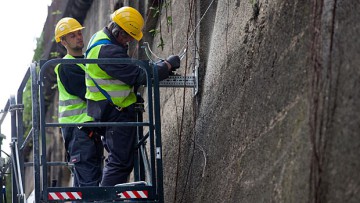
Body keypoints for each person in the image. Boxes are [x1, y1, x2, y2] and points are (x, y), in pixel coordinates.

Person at [85, 6, 181, 186]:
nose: (128, 41)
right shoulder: (108, 51)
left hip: (107, 110)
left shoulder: (99, 39)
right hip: (115, 111)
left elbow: (130, 71)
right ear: (117, 30)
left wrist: (158, 67)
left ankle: (111, 197)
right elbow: (141, 75)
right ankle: (106, 199)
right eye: (127, 36)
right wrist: (167, 66)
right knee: (120, 162)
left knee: (121, 159)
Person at [54, 17, 103, 187]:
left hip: (88, 130)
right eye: (72, 35)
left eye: (79, 33)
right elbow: (90, 93)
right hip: (78, 130)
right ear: (63, 42)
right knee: (89, 184)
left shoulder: (86, 62)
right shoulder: (66, 67)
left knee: (89, 183)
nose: (79, 37)